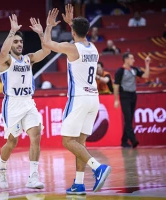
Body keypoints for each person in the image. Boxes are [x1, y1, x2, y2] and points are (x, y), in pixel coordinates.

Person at [43, 5, 111, 195]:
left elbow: (47, 43)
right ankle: (79, 184)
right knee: (80, 143)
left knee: (67, 141)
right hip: (94, 99)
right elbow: (81, 34)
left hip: (79, 98)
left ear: (72, 32)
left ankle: (98, 167)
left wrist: (49, 26)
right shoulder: (94, 48)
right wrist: (72, 23)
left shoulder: (72, 49)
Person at [0, 14, 50, 189]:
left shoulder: (28, 58)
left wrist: (41, 34)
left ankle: (33, 176)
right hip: (12, 104)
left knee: (36, 137)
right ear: (11, 44)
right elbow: (2, 54)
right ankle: (1, 167)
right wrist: (12, 31)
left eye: (21, 42)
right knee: (12, 142)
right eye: (16, 42)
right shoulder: (6, 62)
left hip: (28, 102)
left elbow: (47, 51)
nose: (19, 44)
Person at [113, 52, 150, 148]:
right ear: (126, 59)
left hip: (133, 95)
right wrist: (116, 100)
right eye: (132, 58)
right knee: (128, 118)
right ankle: (133, 140)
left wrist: (147, 64)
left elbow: (145, 76)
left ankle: (124, 141)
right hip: (124, 96)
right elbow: (116, 86)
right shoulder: (120, 71)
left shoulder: (134, 69)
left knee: (129, 119)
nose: (133, 60)